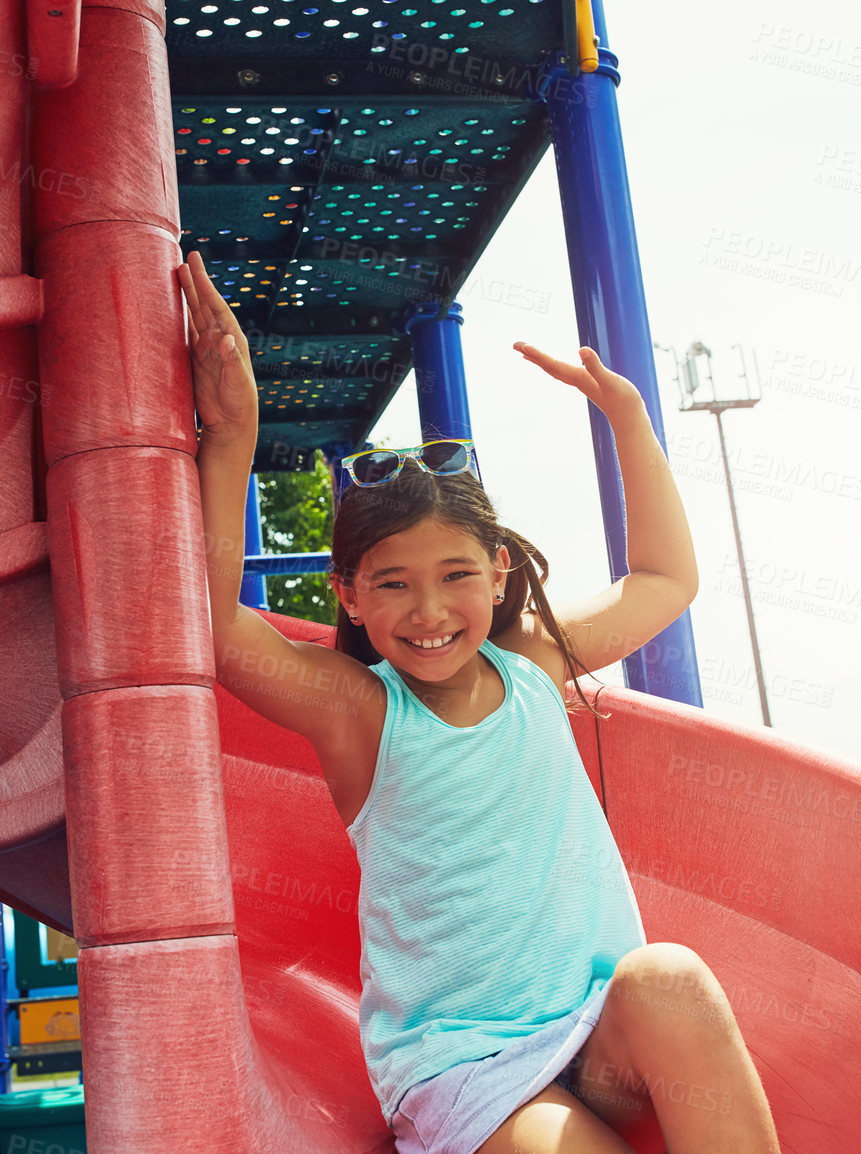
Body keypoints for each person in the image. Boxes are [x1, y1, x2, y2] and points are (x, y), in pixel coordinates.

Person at [179, 250, 782, 1154]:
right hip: (465, 1065)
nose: (428, 612)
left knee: (672, 976)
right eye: (392, 585)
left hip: (594, 1030)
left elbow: (664, 578)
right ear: (345, 594)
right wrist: (231, 437)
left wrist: (630, 421)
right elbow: (217, 627)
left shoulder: (536, 661)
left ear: (499, 572)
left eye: (456, 575)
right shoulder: (363, 711)